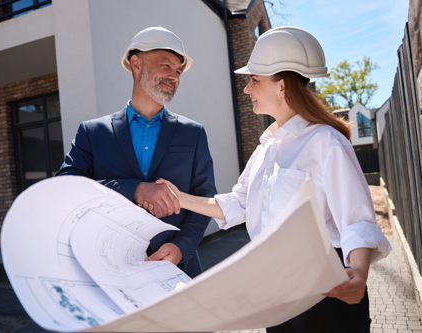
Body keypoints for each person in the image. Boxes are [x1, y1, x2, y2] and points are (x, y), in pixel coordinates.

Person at [146, 27, 392, 332]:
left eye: (254, 80)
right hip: (276, 290)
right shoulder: (266, 148)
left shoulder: (325, 142)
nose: (247, 89)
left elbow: (356, 222)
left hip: (326, 291)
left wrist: (358, 273)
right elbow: (239, 203)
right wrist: (179, 198)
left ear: (282, 85)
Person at [55, 27, 217, 278]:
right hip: (110, 271)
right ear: (136, 63)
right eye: (166, 65)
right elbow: (67, 187)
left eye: (178, 71)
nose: (174, 76)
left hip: (177, 269)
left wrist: (180, 247)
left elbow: (204, 196)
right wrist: (135, 189)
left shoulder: (193, 133)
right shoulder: (92, 132)